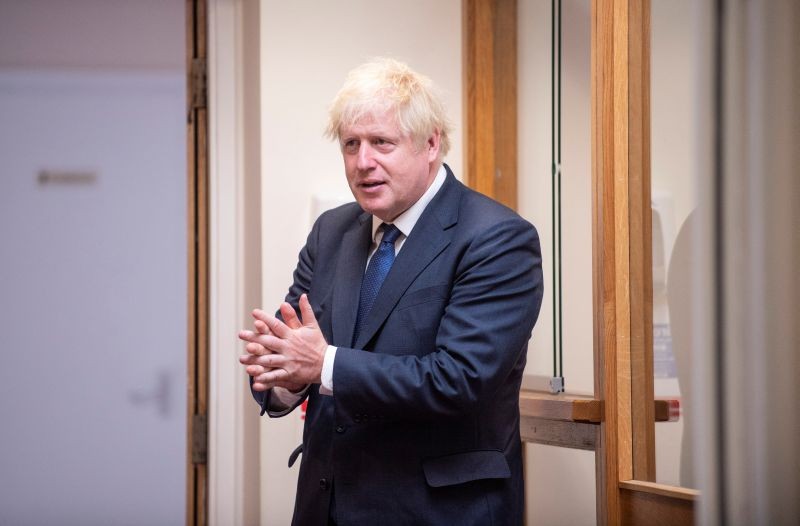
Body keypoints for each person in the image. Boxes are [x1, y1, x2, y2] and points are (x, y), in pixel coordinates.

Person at [238, 58, 543, 525]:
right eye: (351, 144)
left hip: (437, 511)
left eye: (382, 142)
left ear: (431, 143)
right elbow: (294, 348)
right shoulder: (331, 231)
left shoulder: (497, 238)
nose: (363, 162)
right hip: (328, 505)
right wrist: (286, 376)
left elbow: (458, 380)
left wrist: (323, 364)